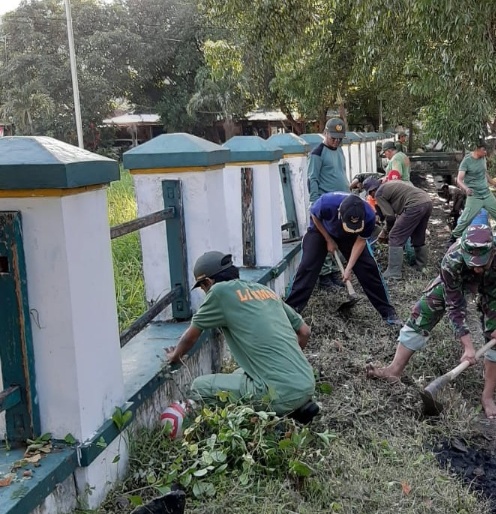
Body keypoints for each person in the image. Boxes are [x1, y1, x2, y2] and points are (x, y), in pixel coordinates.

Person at [366, 225, 496, 419]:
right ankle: (394, 370)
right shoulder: (453, 259)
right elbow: (454, 305)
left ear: (493, 251)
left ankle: (487, 398)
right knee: (424, 311)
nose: (477, 268)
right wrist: (468, 347)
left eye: (482, 262)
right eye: (473, 263)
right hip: (461, 279)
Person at [164, 252, 318, 421]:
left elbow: (190, 337)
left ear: (207, 282)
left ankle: (282, 408)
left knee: (199, 386)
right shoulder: (263, 290)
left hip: (277, 394)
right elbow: (305, 331)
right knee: (240, 372)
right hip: (306, 382)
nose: (204, 292)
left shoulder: (218, 292)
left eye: (202, 288)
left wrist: (175, 356)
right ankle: (297, 403)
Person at [285, 192, 403, 325]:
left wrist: (348, 268)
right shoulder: (326, 203)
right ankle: (290, 310)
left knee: (368, 268)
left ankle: (388, 313)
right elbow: (314, 216)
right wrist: (328, 239)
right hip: (320, 230)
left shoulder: (369, 215)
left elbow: (360, 241)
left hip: (350, 238)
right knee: (308, 265)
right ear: (340, 213)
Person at [308, 117, 351, 289]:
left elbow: (341, 173)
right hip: (326, 204)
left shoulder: (339, 150)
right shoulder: (318, 153)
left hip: (342, 202)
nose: (336, 141)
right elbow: (313, 178)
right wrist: (314, 202)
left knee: (338, 238)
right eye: (333, 137)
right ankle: (325, 277)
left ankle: (335, 272)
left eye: (339, 138)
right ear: (325, 133)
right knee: (325, 238)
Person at [363, 178, 432, 278]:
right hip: (427, 201)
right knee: (418, 235)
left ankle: (394, 272)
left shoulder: (379, 193)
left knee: (395, 236)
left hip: (414, 205)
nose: (372, 197)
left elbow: (390, 217)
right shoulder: (389, 185)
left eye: (370, 194)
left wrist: (386, 231)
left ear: (372, 190)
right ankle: (421, 266)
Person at [449, 139, 496, 245]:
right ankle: (453, 238)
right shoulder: (467, 161)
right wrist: (466, 189)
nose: (485, 152)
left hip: (486, 194)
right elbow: (459, 179)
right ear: (476, 149)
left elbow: (484, 172)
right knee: (465, 219)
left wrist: (494, 183)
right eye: (483, 149)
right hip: (474, 196)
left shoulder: (483, 158)